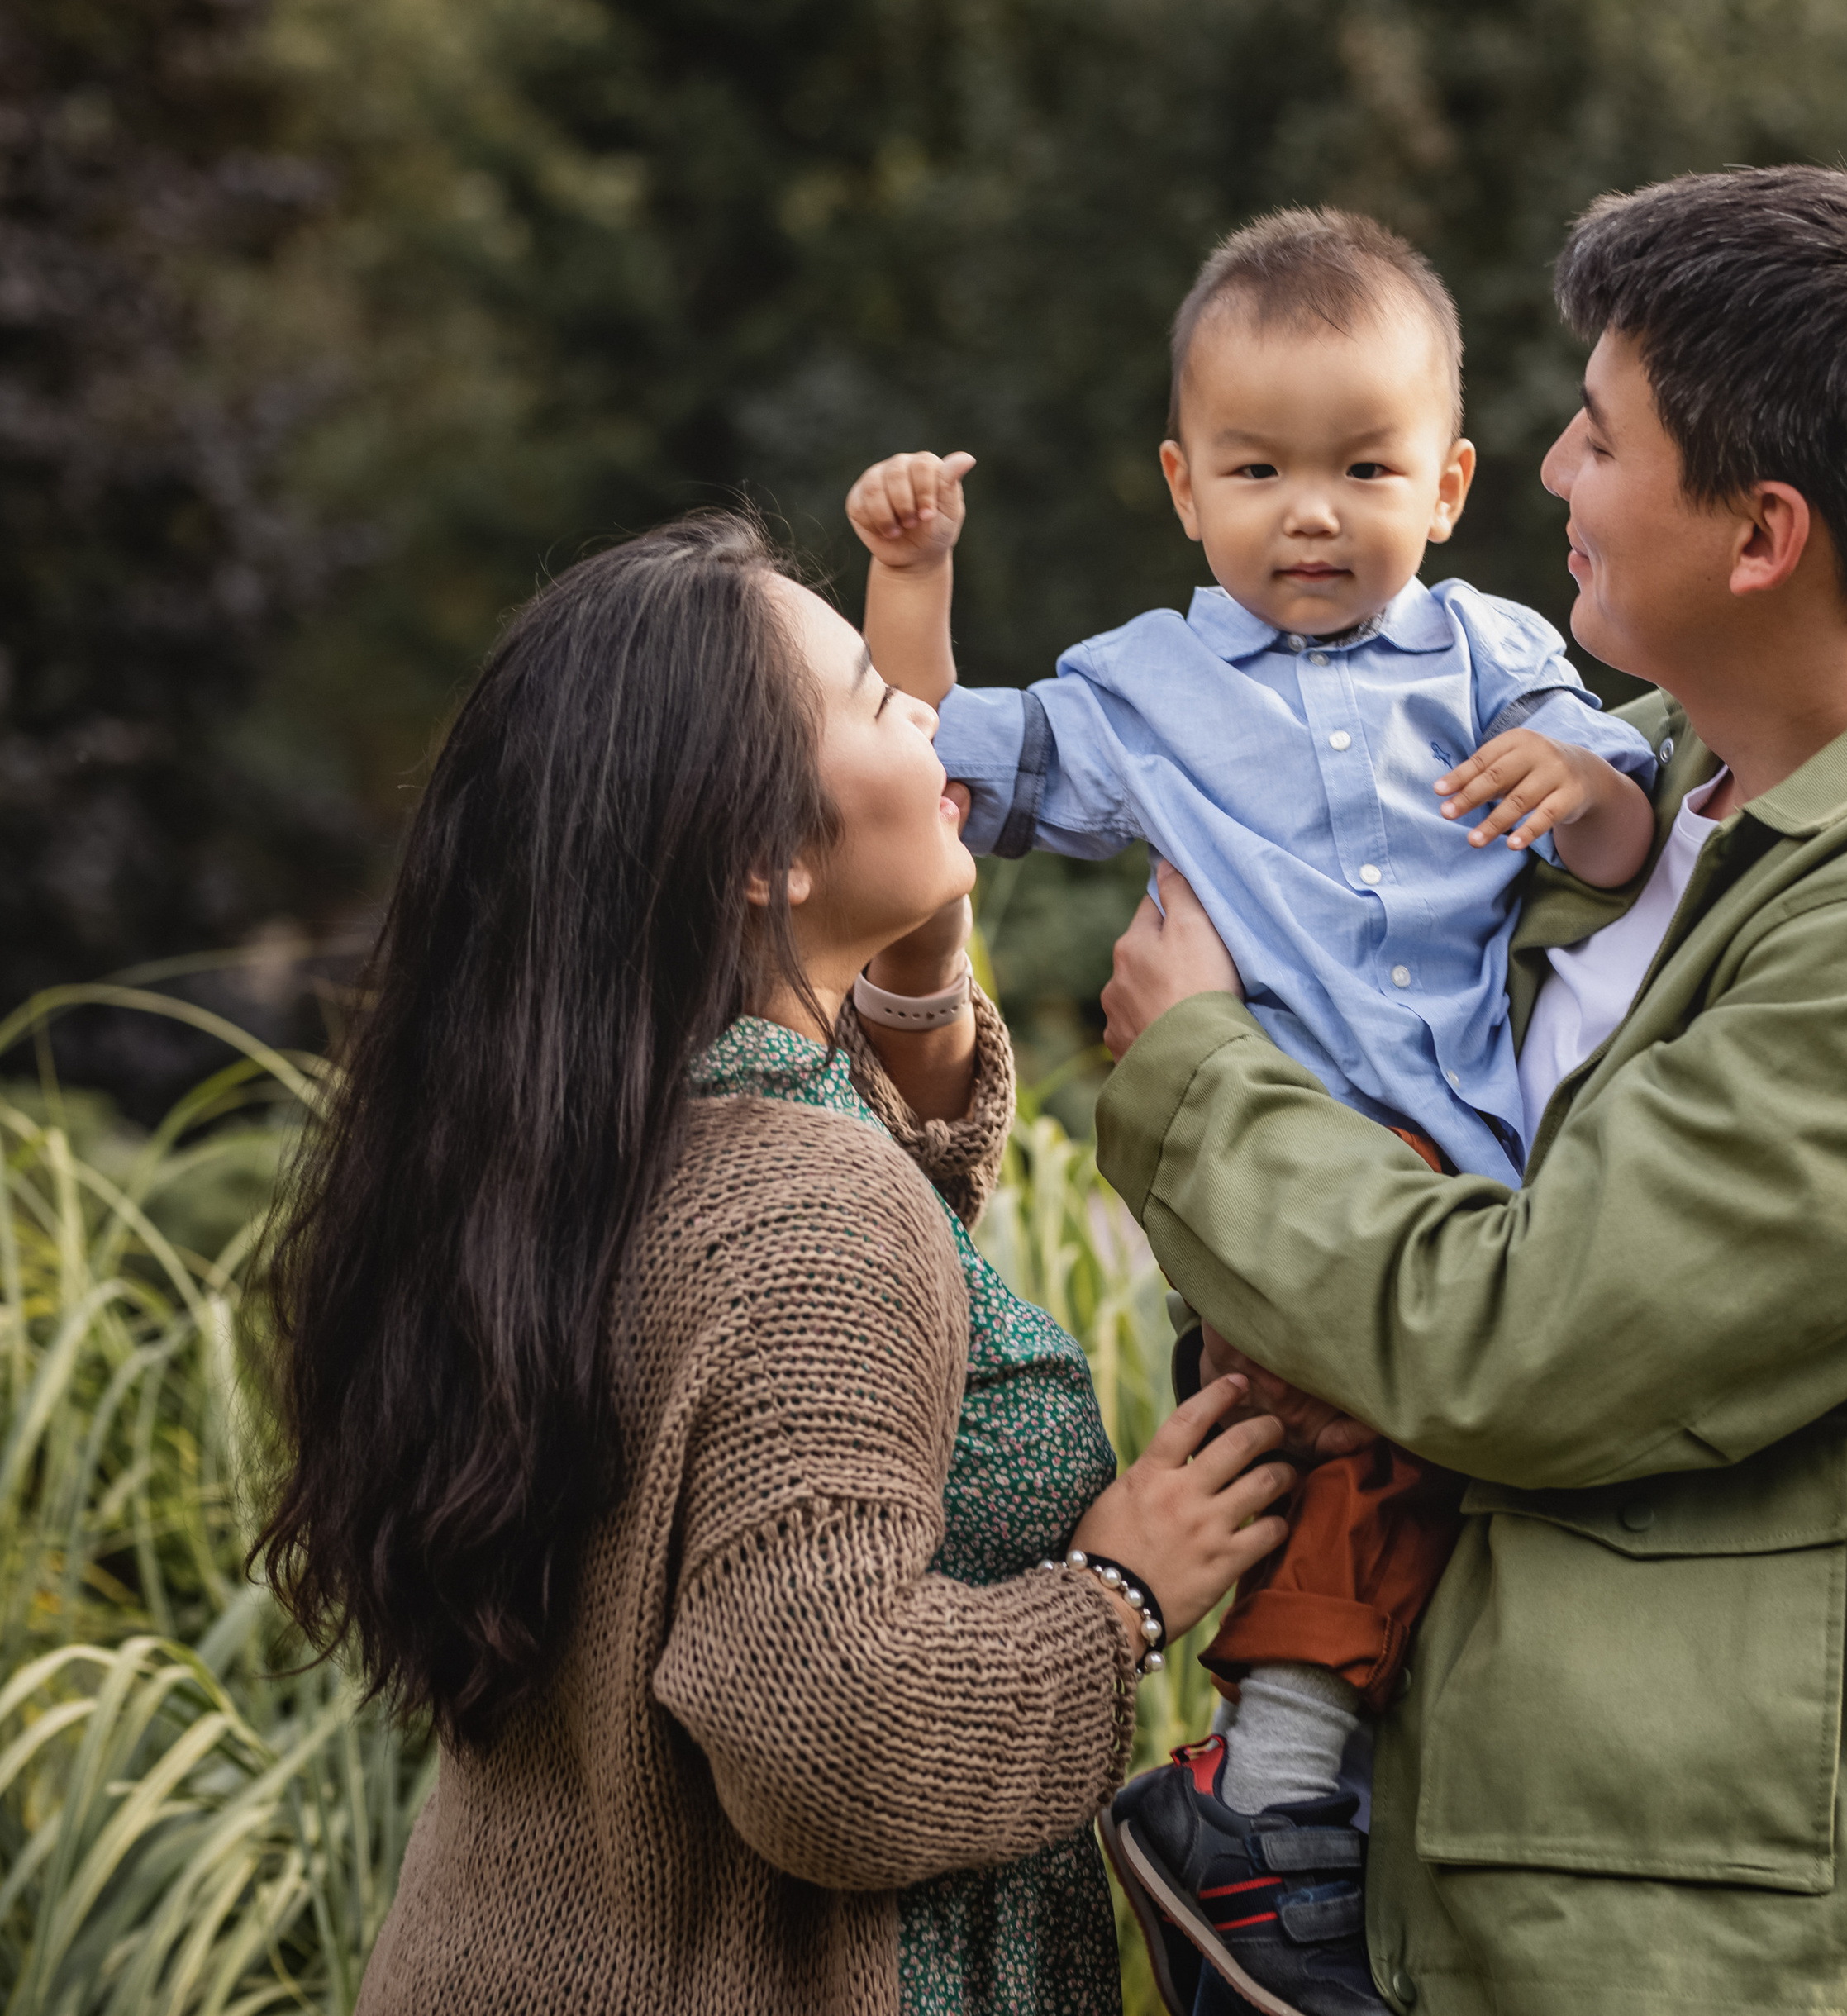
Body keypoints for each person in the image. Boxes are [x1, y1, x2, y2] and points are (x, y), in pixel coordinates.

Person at [1093, 165, 1847, 2016]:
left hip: (1640, 1936)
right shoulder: (1620, 783)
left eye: (1593, 434)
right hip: (1420, 1854)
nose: (1547, 473)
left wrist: (1195, 1075)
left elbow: (1519, 1339)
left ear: (1757, 536)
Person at [250, 511, 1299, 2016]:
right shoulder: (801, 1213)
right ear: (762, 857)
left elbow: (849, 1291)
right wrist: (1119, 1594)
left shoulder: (588, 1141)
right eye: (876, 698)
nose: (926, 710)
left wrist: (920, 968)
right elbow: (835, 1740)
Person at [849, 207, 1656, 2016]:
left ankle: (1308, 1834)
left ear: (1445, 482)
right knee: (1335, 1446)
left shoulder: (1488, 649)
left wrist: (1579, 775)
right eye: (1258, 468)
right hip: (1277, 1176)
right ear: (1180, 485)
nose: (1311, 511)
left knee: (1413, 1484)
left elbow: (1623, 807)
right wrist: (913, 567)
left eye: (1361, 466)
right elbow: (920, 761)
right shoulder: (1140, 690)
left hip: (1469, 1178)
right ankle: (1263, 1801)